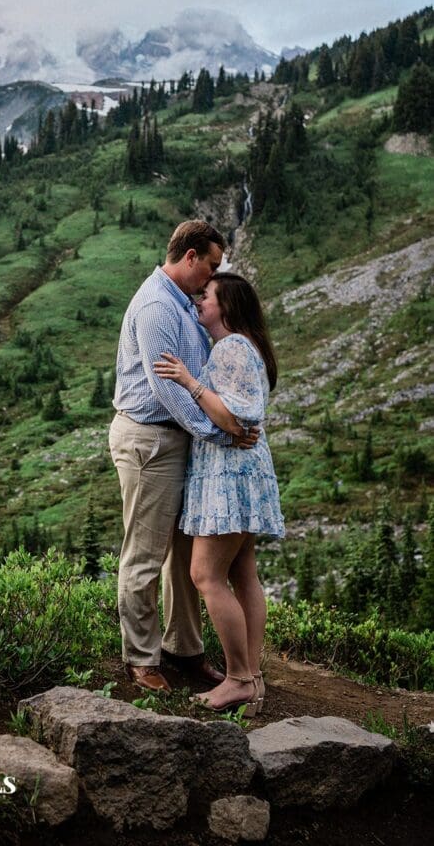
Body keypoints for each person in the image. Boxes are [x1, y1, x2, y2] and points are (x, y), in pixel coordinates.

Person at [109, 220, 259, 693]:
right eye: (211, 265)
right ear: (190, 257)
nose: (212, 277)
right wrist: (213, 433)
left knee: (183, 555)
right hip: (152, 441)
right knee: (146, 554)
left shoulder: (181, 303)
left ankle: (185, 650)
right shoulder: (157, 305)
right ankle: (142, 658)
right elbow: (165, 388)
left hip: (179, 442)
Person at [153, 272, 284, 714]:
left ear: (226, 306)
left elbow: (237, 419)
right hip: (243, 472)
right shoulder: (246, 346)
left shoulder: (231, 347)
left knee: (205, 575)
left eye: (206, 295)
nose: (199, 299)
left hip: (230, 474)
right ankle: (254, 677)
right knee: (243, 573)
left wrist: (189, 381)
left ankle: (239, 679)